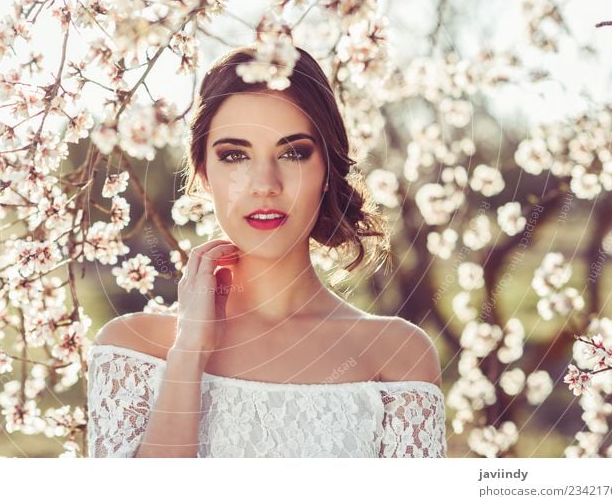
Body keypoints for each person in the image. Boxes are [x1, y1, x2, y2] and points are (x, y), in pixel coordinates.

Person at [86, 45, 446, 458]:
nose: (265, 184)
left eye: (293, 153)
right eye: (234, 155)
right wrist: (189, 351)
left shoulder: (397, 354)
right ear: (204, 174)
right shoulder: (133, 347)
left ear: (327, 170)